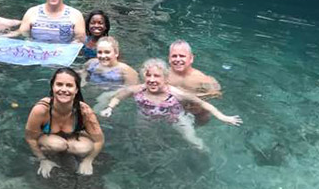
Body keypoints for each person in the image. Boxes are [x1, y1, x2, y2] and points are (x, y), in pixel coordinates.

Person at [101, 59, 241, 150]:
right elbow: (118, 97)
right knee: (144, 141)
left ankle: (206, 155)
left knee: (193, 141)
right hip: (145, 117)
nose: (152, 80)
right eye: (149, 76)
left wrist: (222, 117)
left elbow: (203, 104)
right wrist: (109, 108)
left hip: (175, 118)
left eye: (157, 76)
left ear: (166, 78)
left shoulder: (176, 93)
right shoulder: (138, 90)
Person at [24, 68, 105, 178]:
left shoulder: (84, 110)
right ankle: (51, 157)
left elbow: (99, 140)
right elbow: (30, 138)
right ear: (53, 87)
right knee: (57, 145)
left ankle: (69, 157)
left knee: (84, 148)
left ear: (76, 90)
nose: (63, 89)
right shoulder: (41, 109)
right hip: (49, 141)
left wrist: (88, 160)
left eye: (69, 85)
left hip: (72, 139)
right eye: (59, 84)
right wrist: (43, 159)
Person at [12, 0, 86, 44]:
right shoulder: (32, 12)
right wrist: (3, 37)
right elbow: (21, 33)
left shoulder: (75, 15)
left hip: (62, 54)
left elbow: (80, 39)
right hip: (36, 52)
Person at [168, 39, 222, 125]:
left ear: (191, 58)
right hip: (174, 111)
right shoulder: (164, 74)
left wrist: (192, 97)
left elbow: (218, 94)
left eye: (182, 56)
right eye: (174, 56)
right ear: (169, 59)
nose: (178, 59)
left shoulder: (202, 79)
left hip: (197, 113)